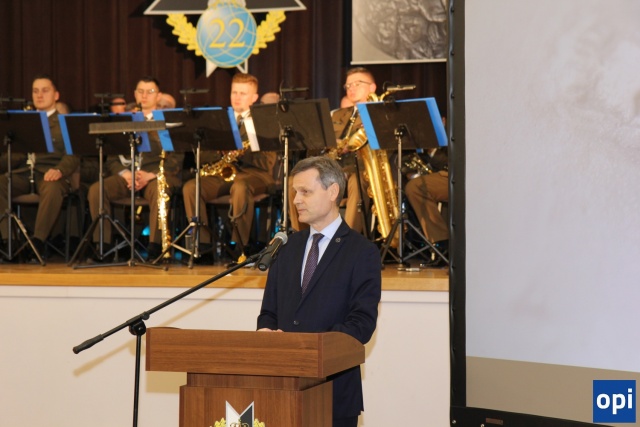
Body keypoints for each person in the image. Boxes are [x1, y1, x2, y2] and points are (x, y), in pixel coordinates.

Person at [257, 156, 381, 427]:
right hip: (281, 388)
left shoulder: (362, 252)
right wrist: (265, 334)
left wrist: (310, 347)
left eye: (305, 192)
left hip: (334, 393)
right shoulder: (285, 247)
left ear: (333, 191)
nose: (296, 200)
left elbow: (361, 324)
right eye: (294, 192)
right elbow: (269, 312)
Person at [182, 73, 277, 260]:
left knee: (240, 186)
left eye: (243, 93)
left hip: (256, 174)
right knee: (192, 187)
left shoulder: (263, 120)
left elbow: (267, 162)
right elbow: (203, 154)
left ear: (254, 97)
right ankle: (202, 246)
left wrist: (240, 152)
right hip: (224, 174)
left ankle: (240, 246)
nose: (237, 97)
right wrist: (221, 152)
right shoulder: (219, 119)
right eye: (234, 92)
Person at [86, 76, 182, 260]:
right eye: (140, 91)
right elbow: (112, 159)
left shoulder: (168, 122)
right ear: (134, 94)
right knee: (97, 190)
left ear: (159, 96)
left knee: (160, 191)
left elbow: (176, 160)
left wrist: (151, 175)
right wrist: (126, 174)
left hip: (155, 176)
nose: (144, 96)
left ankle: (155, 247)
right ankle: (103, 245)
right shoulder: (124, 120)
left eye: (150, 92)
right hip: (128, 175)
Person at [0, 74, 80, 260]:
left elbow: (74, 155)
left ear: (56, 95)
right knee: (1, 183)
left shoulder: (64, 122)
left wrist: (60, 170)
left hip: (50, 172)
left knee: (52, 187)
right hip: (24, 172)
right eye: (35, 91)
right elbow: (11, 156)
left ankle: (38, 242)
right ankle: (9, 241)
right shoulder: (22, 122)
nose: (39, 95)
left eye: (45, 90)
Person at [404, 146, 449, 266]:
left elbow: (453, 160)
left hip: (459, 173)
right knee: (412, 186)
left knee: (416, 187)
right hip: (435, 173)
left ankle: (443, 244)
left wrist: (432, 150)